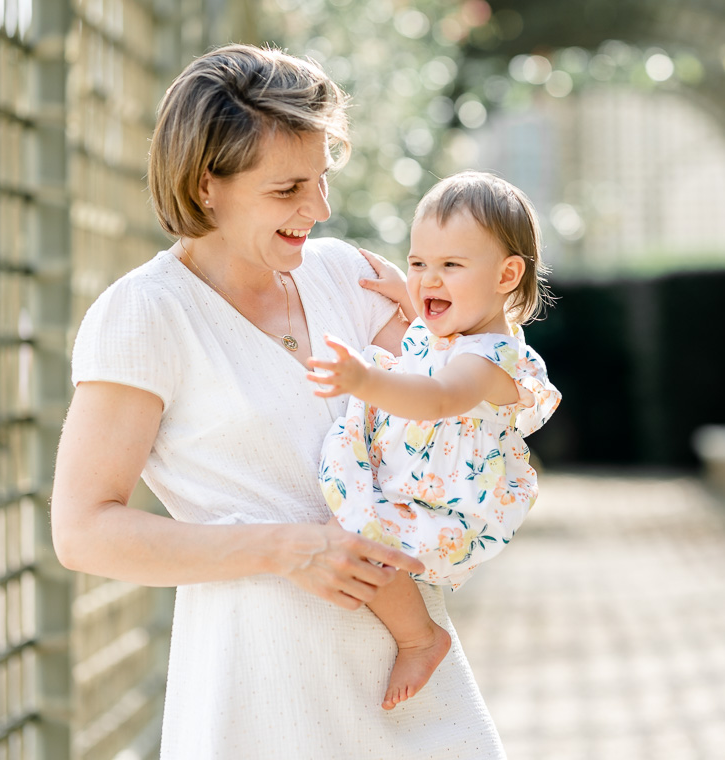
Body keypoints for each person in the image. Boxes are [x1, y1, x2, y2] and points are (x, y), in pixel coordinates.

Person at [51, 45, 507, 758]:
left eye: (322, 179)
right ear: (208, 186)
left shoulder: (350, 277)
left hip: (413, 683)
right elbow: (83, 531)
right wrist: (288, 547)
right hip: (261, 691)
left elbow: (468, 412)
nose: (319, 209)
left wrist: (440, 331)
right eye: (289, 187)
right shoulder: (145, 315)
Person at [306, 171, 561, 711]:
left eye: (450, 266)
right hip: (413, 473)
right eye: (420, 262)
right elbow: (424, 339)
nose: (428, 280)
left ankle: (420, 637)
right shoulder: (455, 330)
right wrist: (406, 290)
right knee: (356, 526)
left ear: (506, 275)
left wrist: (363, 381)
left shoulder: (490, 361)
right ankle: (415, 631)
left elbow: (438, 397)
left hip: (444, 499)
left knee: (363, 538)